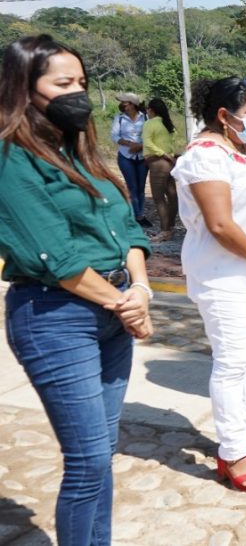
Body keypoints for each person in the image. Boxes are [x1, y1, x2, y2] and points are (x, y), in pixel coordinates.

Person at [0, 34, 153, 546]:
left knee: (102, 452)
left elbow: (129, 230)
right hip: (55, 318)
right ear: (25, 88)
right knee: (87, 460)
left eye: (82, 82)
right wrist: (127, 306)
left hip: (113, 311)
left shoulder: (81, 152)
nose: (78, 93)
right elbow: (56, 257)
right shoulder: (11, 158)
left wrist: (142, 291)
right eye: (63, 83)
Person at [172, 76, 246, 493]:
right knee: (232, 360)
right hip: (222, 274)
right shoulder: (205, 156)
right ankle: (232, 450)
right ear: (223, 116)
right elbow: (220, 224)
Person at [142, 97, 180, 242]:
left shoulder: (150, 124)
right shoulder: (167, 124)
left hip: (158, 162)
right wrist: (170, 155)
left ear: (151, 110)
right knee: (171, 195)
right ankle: (170, 227)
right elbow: (170, 144)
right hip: (168, 162)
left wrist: (163, 154)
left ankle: (164, 231)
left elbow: (148, 143)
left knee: (159, 198)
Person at [110, 91, 149, 226]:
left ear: (132, 104)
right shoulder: (119, 118)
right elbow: (115, 136)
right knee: (132, 186)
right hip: (125, 156)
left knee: (141, 187)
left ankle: (140, 214)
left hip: (142, 155)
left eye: (124, 103)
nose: (122, 105)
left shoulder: (145, 117)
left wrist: (140, 146)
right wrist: (129, 144)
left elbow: (150, 136)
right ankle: (137, 216)